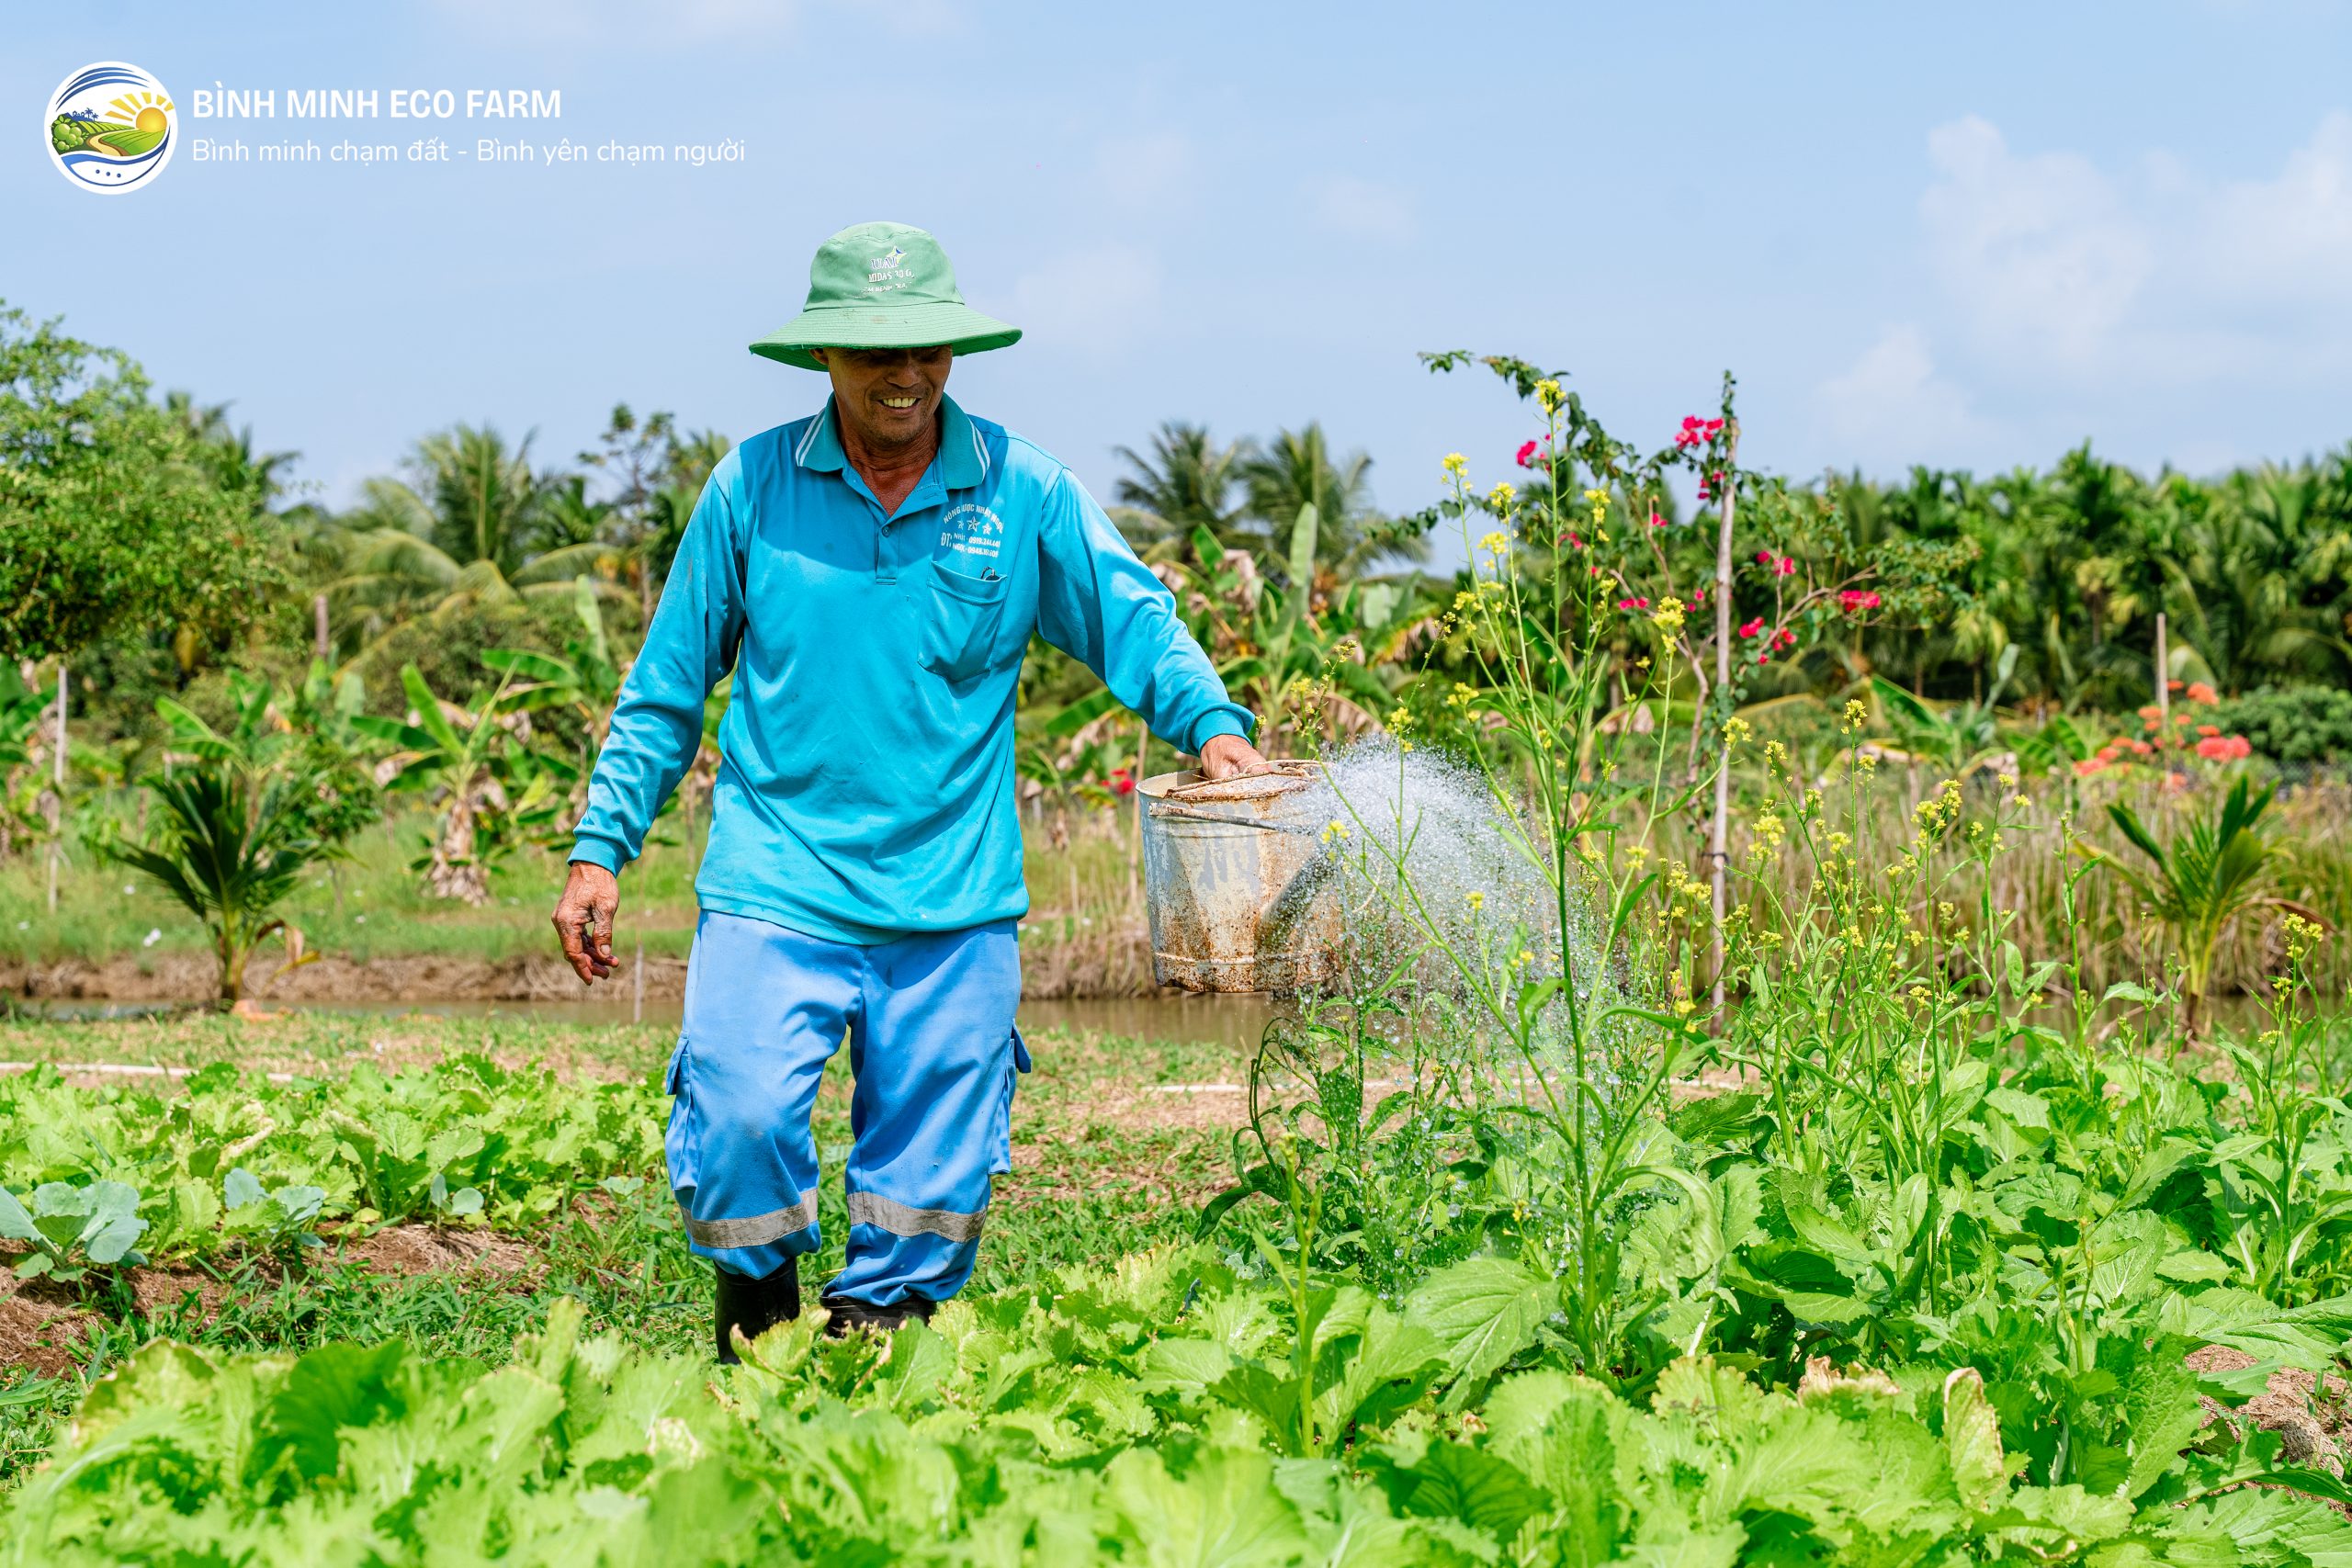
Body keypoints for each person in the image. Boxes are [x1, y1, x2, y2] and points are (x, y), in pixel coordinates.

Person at [549, 220, 1266, 1360]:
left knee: (925, 1181)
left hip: (953, 897)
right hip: (777, 881)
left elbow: (1133, 616)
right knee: (735, 1117)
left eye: (928, 347)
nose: (905, 372)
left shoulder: (1022, 491)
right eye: (873, 351)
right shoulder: (750, 491)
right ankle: (758, 1333)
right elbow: (666, 686)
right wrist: (602, 847)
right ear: (821, 360)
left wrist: (1213, 725)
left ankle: (876, 1348)